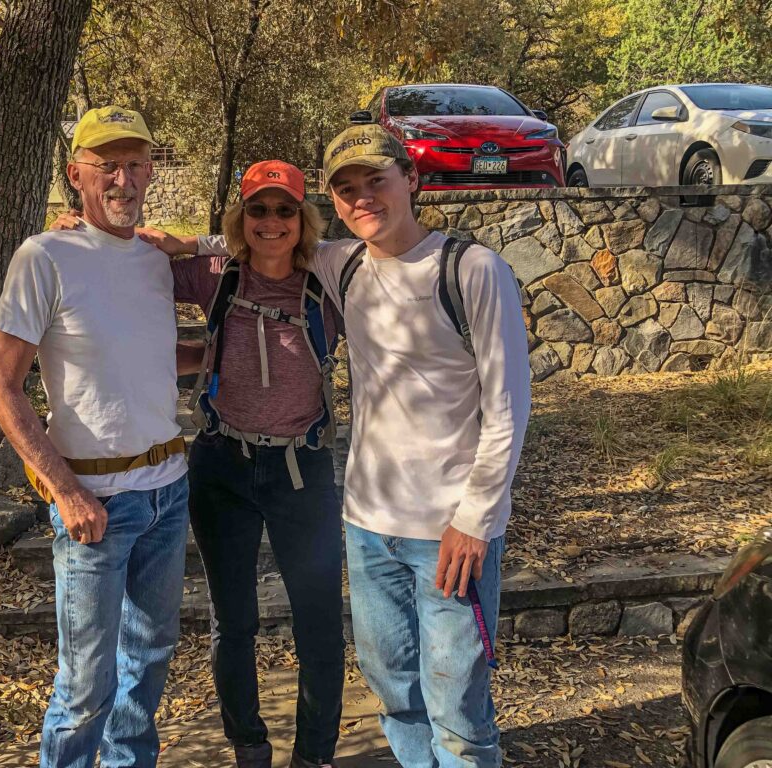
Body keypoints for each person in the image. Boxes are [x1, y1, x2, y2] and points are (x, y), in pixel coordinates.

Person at [153, 124, 531, 767]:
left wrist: (476, 520)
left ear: (410, 179)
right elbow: (239, 244)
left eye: (375, 182)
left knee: (454, 703)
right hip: (352, 513)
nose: (363, 199)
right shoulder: (321, 264)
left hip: (429, 519)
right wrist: (172, 240)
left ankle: (331, 754)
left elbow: (508, 407)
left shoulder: (449, 269)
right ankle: (275, 747)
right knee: (393, 692)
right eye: (348, 189)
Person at [53, 160, 345, 768]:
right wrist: (80, 233)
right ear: (240, 218)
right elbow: (127, 260)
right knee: (231, 620)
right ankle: (249, 744)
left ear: (303, 218)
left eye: (284, 210)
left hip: (302, 471)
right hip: (223, 467)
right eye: (258, 210)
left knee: (318, 621)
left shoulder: (331, 280)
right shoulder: (215, 276)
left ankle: (314, 752)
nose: (271, 223)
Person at [0, 106, 192, 768]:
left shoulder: (156, 259)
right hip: (95, 502)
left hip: (166, 492)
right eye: (107, 167)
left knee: (149, 663)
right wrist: (66, 492)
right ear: (77, 176)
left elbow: (152, 351)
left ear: (152, 171)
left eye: (136, 165)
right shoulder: (45, 255)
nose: (124, 181)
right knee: (85, 686)